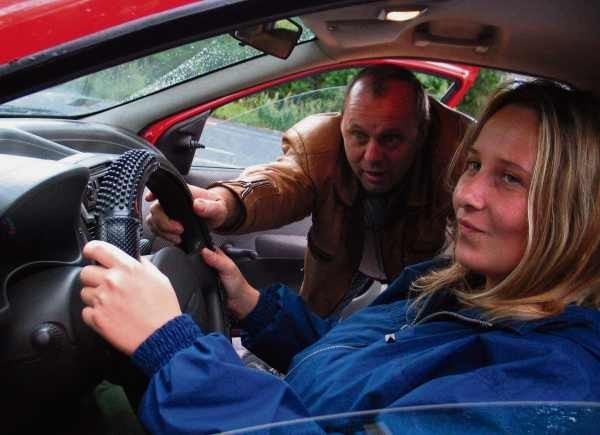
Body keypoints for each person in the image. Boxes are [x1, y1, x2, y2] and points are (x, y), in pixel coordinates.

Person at [79, 80, 600, 434]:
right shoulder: (456, 282)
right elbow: (358, 350)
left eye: (510, 178)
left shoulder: (554, 383)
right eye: (474, 165)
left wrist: (172, 348)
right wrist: (255, 305)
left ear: (579, 211)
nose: (466, 195)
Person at [146, 65, 473, 316]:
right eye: (358, 136)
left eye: (391, 140)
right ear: (342, 124)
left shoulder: (462, 157)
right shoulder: (322, 144)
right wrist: (223, 202)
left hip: (427, 290)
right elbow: (280, 183)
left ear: (421, 131)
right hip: (342, 271)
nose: (372, 157)